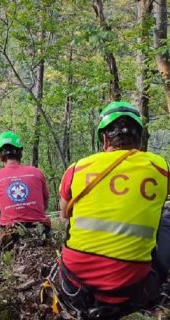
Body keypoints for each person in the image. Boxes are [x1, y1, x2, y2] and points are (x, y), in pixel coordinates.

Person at [57, 101, 170, 318]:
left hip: (75, 287)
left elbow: (64, 216)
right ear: (139, 138)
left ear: (104, 138)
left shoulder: (76, 169)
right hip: (133, 291)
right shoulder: (160, 167)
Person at [0, 131, 51, 235]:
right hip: (40, 227)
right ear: (20, 152)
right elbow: (45, 203)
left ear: (0, 157)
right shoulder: (37, 172)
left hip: (8, 229)